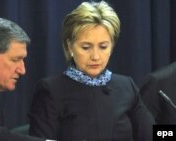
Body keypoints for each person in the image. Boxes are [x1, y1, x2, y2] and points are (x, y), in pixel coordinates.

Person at [28, 1, 154, 141]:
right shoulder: (50, 90)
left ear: (111, 46)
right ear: (70, 46)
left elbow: (153, 134)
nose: (95, 56)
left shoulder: (126, 86)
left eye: (103, 47)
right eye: (86, 47)